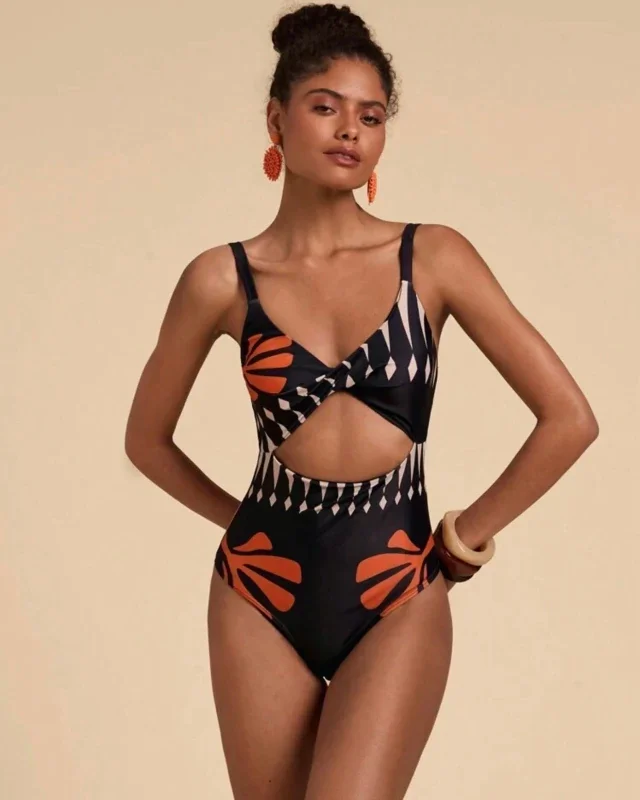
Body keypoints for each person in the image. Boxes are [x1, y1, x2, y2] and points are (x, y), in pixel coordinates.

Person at [124, 4, 599, 798]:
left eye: (371, 116)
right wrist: (244, 521)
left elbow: (570, 419)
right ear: (276, 120)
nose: (351, 129)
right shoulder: (221, 280)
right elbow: (146, 441)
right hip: (256, 595)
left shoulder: (432, 258)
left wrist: (464, 539)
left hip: (397, 586)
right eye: (326, 107)